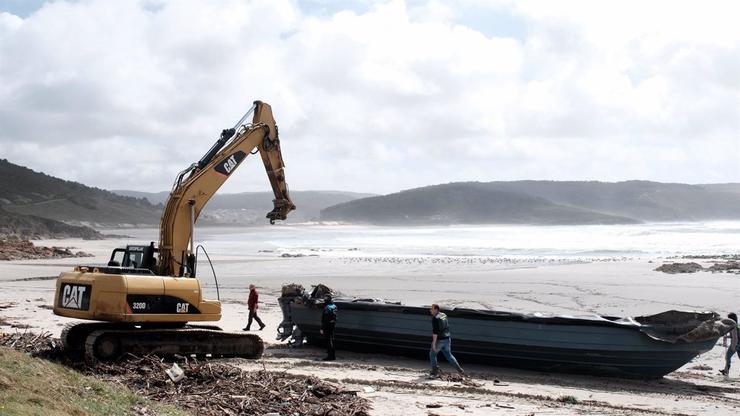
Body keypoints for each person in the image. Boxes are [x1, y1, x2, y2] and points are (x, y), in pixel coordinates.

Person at [429, 303, 463, 376]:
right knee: (449, 355)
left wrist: (434, 343)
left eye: (431, 309)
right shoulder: (443, 315)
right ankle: (459, 369)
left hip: (440, 340)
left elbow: (435, 332)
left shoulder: (435, 319)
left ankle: (434, 372)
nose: (430, 310)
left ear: (436, 309)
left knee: (432, 354)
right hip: (447, 339)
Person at [720, 312, 739, 377]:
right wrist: (726, 337)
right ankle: (725, 370)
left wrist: (733, 346)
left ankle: (726, 371)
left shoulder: (732, 326)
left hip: (735, 344)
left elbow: (735, 337)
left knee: (728, 357)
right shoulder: (737, 325)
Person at [320, 294, 337, 361]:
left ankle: (330, 356)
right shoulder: (334, 306)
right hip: (333, 325)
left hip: (327, 326)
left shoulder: (327, 307)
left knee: (328, 341)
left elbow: (325, 319)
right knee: (332, 340)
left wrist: (322, 328)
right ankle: (333, 355)